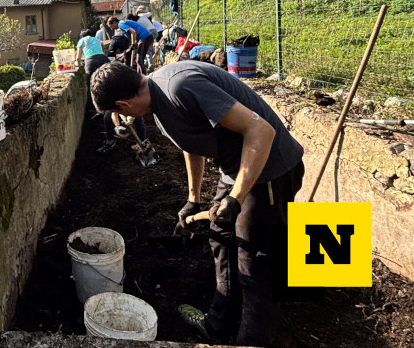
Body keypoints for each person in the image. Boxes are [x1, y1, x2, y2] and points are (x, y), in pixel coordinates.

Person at [89, 61, 305, 346]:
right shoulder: (158, 102)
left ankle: (254, 339)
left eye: (117, 112)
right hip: (235, 168)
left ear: (123, 103)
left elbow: (261, 131)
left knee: (255, 264)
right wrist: (193, 199)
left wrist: (236, 199)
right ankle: (218, 325)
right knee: (220, 238)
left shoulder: (180, 86)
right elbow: (190, 143)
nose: (121, 118)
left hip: (268, 170)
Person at [76, 28, 109, 119]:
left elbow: (78, 58)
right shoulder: (97, 40)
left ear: (82, 35)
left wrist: (77, 65)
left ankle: (93, 111)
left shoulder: (81, 40)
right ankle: (108, 108)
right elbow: (101, 51)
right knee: (105, 84)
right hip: (104, 60)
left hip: (91, 62)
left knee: (91, 86)